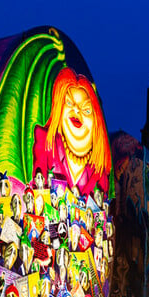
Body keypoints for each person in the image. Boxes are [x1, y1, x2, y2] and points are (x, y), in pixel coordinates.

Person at [32, 67, 111, 198]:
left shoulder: (99, 169)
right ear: (59, 108)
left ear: (96, 122)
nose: (77, 111)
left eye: (86, 110)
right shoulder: (45, 140)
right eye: (69, 103)